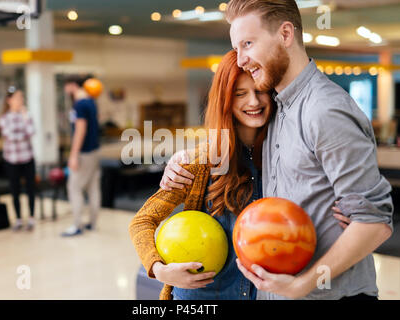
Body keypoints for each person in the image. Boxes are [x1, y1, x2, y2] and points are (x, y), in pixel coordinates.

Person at [160, 0, 394, 300]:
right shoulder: (277, 108)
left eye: (247, 44)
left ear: (285, 34)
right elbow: (235, 140)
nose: (240, 59)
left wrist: (303, 284)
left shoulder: (324, 110)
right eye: (237, 47)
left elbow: (374, 223)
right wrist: (187, 157)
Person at [129, 50, 348, 300]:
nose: (253, 102)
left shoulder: (290, 159)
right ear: (226, 100)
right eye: (240, 94)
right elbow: (142, 221)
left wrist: (346, 219)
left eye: (260, 91)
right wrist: (160, 270)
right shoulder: (201, 163)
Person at [61, 75, 101, 237]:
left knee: (74, 187)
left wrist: (73, 155)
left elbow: (80, 130)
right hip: (95, 150)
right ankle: (92, 222)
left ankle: (77, 225)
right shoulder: (91, 102)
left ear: (72, 85)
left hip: (84, 152)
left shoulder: (79, 104)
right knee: (92, 187)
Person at [0, 86, 36, 231]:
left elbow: (32, 132)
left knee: (31, 189)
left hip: (27, 157)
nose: (20, 100)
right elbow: (10, 137)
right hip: (11, 159)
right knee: (15, 190)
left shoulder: (26, 115)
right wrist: (24, 135)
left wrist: (25, 119)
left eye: (21, 97)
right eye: (17, 97)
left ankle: (31, 218)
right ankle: (19, 219)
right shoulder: (4, 118)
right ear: (9, 100)